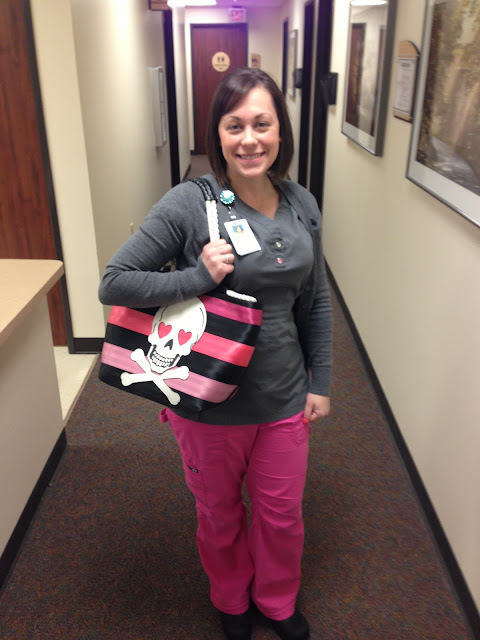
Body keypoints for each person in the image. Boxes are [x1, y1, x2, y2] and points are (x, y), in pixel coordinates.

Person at [99, 68, 332, 640]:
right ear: (218, 134)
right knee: (220, 512)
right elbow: (115, 282)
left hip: (283, 396)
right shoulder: (188, 203)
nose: (249, 139)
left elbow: (317, 299)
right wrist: (196, 278)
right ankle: (231, 597)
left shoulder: (301, 204)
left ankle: (277, 600)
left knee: (282, 515)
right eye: (235, 126)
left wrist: (320, 381)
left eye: (262, 124)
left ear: (280, 131)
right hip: (206, 400)